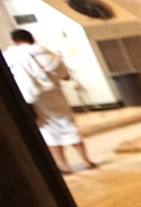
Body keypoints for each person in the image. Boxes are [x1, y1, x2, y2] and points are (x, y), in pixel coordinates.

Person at [4, 29, 96, 174]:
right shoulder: (45, 54)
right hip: (55, 96)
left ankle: (63, 165)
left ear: (14, 41)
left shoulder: (10, 56)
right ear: (32, 39)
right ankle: (86, 160)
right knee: (69, 127)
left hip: (33, 100)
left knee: (49, 132)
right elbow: (65, 75)